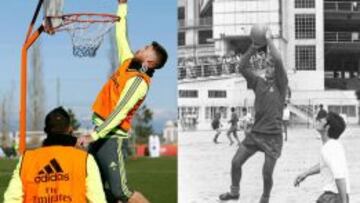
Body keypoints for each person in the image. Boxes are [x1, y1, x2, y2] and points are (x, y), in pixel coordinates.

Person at [77, 0, 168, 202]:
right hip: (100, 131)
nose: (141, 47)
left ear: (149, 62)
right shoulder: (128, 61)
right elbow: (120, 33)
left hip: (110, 137)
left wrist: (94, 135)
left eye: (146, 48)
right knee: (93, 191)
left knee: (121, 192)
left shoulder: (139, 82)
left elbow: (119, 112)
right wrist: (122, 5)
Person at [219, 29, 288, 203]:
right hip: (256, 134)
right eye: (267, 65)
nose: (269, 67)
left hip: (273, 137)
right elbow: (242, 66)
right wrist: (254, 47)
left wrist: (269, 40)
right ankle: (234, 193)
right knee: (235, 163)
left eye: (272, 65)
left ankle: (265, 198)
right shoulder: (258, 82)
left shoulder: (282, 85)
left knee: (266, 173)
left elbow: (278, 59)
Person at [4, 107, 106, 203]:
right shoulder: (85, 159)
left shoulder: (27, 159)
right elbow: (98, 199)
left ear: (46, 131)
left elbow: (11, 198)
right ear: (70, 129)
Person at [294, 112, 350, 203]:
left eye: (322, 120)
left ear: (327, 127)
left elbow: (340, 176)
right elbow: (324, 164)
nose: (318, 120)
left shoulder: (330, 148)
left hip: (333, 197)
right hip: (333, 196)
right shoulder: (332, 145)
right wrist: (306, 173)